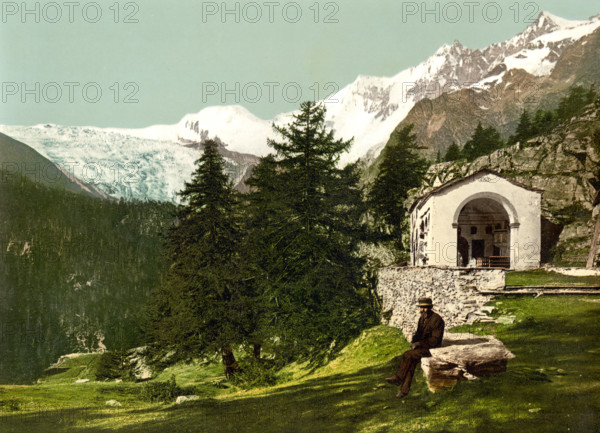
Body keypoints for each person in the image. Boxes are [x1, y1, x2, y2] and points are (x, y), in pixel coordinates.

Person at [385, 297, 445, 397]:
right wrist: (414, 341)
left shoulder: (437, 320)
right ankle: (404, 391)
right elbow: (418, 334)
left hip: (433, 349)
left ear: (430, 307)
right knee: (411, 363)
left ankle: (398, 378)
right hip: (423, 347)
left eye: (425, 307)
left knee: (408, 355)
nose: (422, 310)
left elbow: (435, 340)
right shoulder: (422, 319)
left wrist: (419, 344)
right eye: (421, 307)